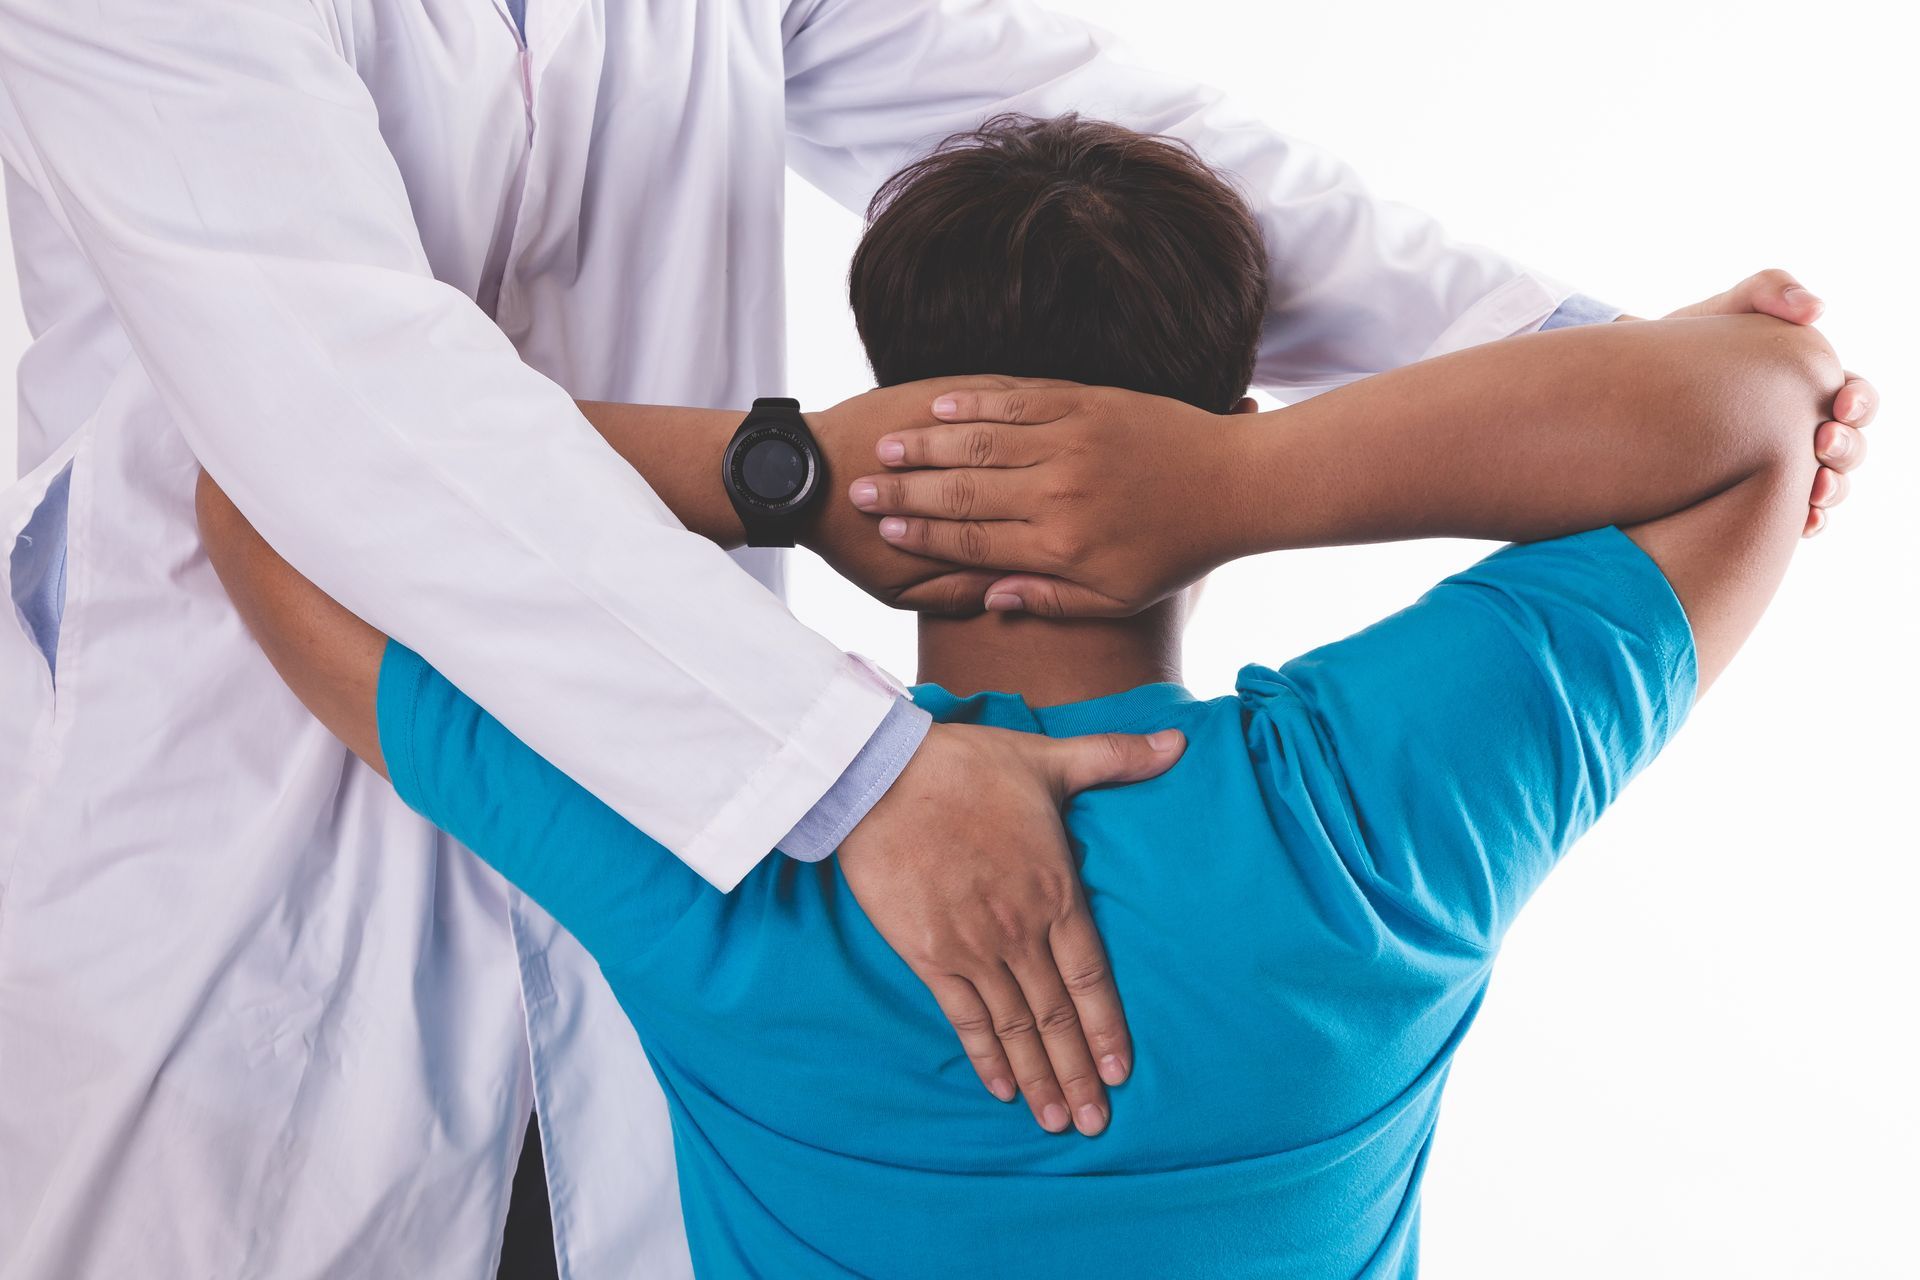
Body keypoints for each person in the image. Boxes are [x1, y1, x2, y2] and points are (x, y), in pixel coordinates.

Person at [195, 116, 1864, 1277]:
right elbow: (1770, 402)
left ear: (879, 416)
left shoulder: (723, 849)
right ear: (1217, 395)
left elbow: (277, 494)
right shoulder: (1364, 821)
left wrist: (775, 474)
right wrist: (1247, 479)